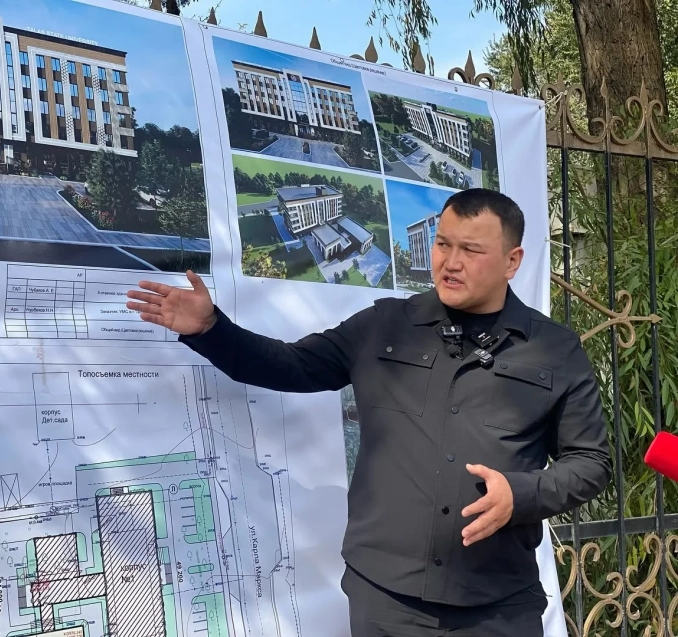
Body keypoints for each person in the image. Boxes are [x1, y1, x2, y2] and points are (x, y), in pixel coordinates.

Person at [126, 188, 612, 636]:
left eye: (471, 250)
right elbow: (292, 366)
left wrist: (521, 495)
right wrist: (211, 329)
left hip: (499, 604)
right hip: (386, 599)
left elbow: (591, 462)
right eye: (443, 244)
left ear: (512, 261)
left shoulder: (554, 350)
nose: (450, 263)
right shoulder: (384, 326)